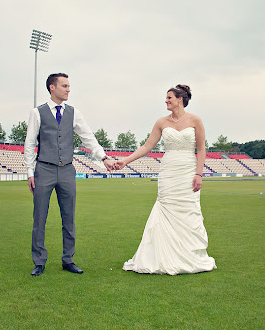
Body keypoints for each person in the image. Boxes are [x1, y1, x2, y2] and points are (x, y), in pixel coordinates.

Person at [114, 84, 216, 275]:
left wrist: (199, 174)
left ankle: (188, 255)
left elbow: (201, 149)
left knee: (188, 211)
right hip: (168, 171)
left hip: (188, 170)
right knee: (165, 208)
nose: (166, 101)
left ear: (180, 99)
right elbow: (147, 146)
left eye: (169, 97)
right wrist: (125, 161)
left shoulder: (195, 120)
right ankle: (160, 257)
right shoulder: (161, 122)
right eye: (166, 98)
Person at [24, 73, 116, 276]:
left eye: (69, 86)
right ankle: (39, 261)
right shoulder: (37, 113)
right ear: (52, 88)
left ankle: (68, 259)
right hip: (44, 169)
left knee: (69, 218)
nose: (68, 89)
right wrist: (30, 172)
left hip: (67, 169)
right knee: (39, 218)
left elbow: (88, 138)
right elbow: (30, 144)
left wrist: (104, 158)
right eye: (64, 86)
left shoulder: (74, 113)